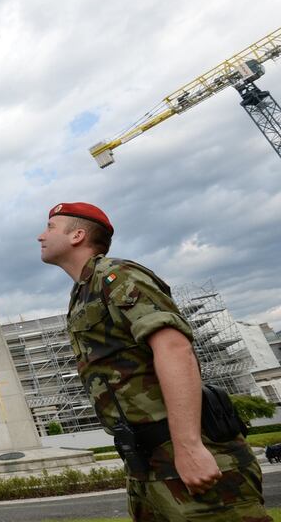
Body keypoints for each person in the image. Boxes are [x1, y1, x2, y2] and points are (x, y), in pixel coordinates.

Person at [38, 202, 269, 521]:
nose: (40, 236)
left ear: (77, 235)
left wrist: (188, 447)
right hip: (147, 460)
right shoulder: (83, 293)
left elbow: (174, 348)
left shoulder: (117, 277)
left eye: (50, 228)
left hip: (181, 448)